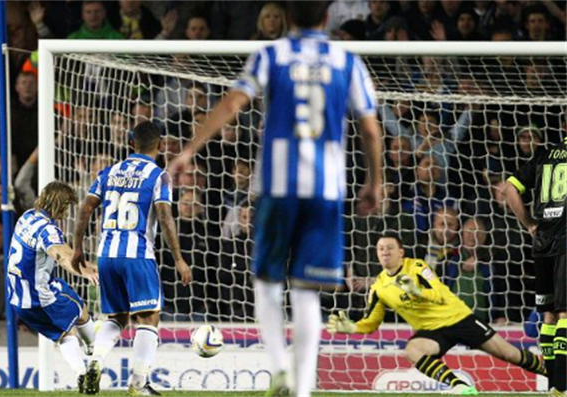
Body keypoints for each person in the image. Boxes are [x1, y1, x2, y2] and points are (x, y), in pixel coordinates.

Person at [168, 3, 382, 396]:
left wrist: (188, 151)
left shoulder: (270, 54)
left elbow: (233, 103)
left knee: (266, 282)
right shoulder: (346, 60)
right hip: (326, 190)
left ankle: (281, 366)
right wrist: (375, 180)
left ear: (284, 16)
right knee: (306, 291)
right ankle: (301, 390)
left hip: (279, 186)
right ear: (326, 18)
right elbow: (370, 128)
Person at [327, 235, 547, 396]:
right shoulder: (379, 288)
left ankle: (556, 376)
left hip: (459, 318)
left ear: (401, 252)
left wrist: (415, 291)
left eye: (390, 248)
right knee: (413, 350)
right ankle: (460, 386)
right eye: (381, 249)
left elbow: (439, 294)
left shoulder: (417, 267)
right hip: (433, 332)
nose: (385, 252)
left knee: (510, 354)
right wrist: (353, 328)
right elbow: (371, 323)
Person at [72, 121, 191, 396]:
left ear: (130, 144)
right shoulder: (159, 175)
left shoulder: (109, 172)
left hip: (106, 255)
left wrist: (78, 247)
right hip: (137, 255)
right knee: (148, 319)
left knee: (116, 317)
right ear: (160, 146)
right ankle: (139, 383)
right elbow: (164, 216)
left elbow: (86, 208)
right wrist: (178, 258)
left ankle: (95, 360)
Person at [6, 182, 98, 392]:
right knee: (80, 310)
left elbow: (65, 253)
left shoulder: (27, 217)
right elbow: (63, 256)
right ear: (60, 205)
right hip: (41, 296)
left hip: (18, 299)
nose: (67, 212)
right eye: (66, 207)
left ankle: (81, 374)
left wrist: (86, 265)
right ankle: (96, 353)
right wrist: (85, 272)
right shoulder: (48, 230)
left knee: (64, 334)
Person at [503, 137, 567, 395]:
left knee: (549, 316)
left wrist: (530, 224)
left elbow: (509, 187)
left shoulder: (545, 155)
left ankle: (553, 385)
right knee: (565, 314)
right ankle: (562, 388)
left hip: (542, 242)